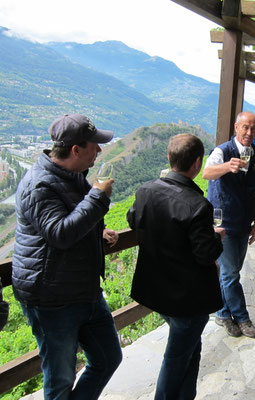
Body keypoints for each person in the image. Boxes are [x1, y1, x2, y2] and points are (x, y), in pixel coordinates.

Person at [12, 114, 122, 399]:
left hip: (83, 290)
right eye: (94, 145)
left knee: (108, 357)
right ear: (76, 149)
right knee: (61, 380)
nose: (99, 150)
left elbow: (68, 220)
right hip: (51, 298)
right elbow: (59, 233)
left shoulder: (72, 176)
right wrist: (98, 197)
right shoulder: (39, 185)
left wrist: (97, 232)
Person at [127, 134, 224, 399]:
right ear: (197, 163)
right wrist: (216, 237)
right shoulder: (198, 205)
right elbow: (205, 255)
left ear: (169, 158)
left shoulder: (146, 191)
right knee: (176, 358)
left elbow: (133, 220)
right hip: (187, 299)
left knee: (190, 349)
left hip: (156, 289)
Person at [203, 111, 255, 338]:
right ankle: (242, 318)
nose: (249, 132)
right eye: (245, 127)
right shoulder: (222, 151)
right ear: (236, 127)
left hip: (243, 223)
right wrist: (228, 166)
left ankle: (222, 313)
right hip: (223, 223)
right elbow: (207, 173)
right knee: (229, 274)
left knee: (232, 271)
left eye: (253, 128)